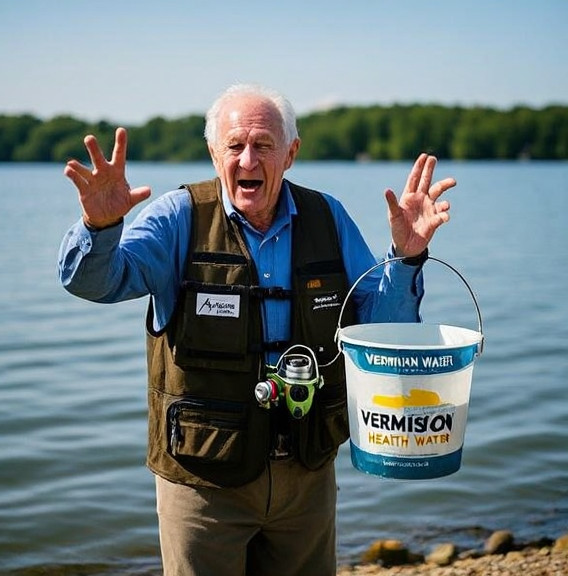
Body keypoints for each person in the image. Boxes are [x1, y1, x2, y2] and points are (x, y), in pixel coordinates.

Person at [58, 84, 455, 576]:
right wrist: (98, 228)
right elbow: (95, 282)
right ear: (212, 153)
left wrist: (409, 256)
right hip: (202, 480)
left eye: (264, 145)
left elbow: (385, 331)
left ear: (291, 153)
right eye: (235, 145)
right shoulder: (177, 217)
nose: (248, 160)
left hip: (306, 477)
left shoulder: (328, 217)